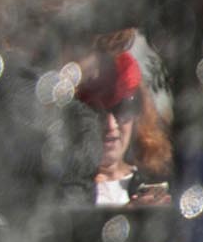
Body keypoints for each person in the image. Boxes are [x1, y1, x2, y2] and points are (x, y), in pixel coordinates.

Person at [73, 42, 173, 208]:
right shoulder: (59, 191)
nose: (110, 125)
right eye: (94, 112)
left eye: (121, 108)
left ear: (139, 110)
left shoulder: (159, 181)